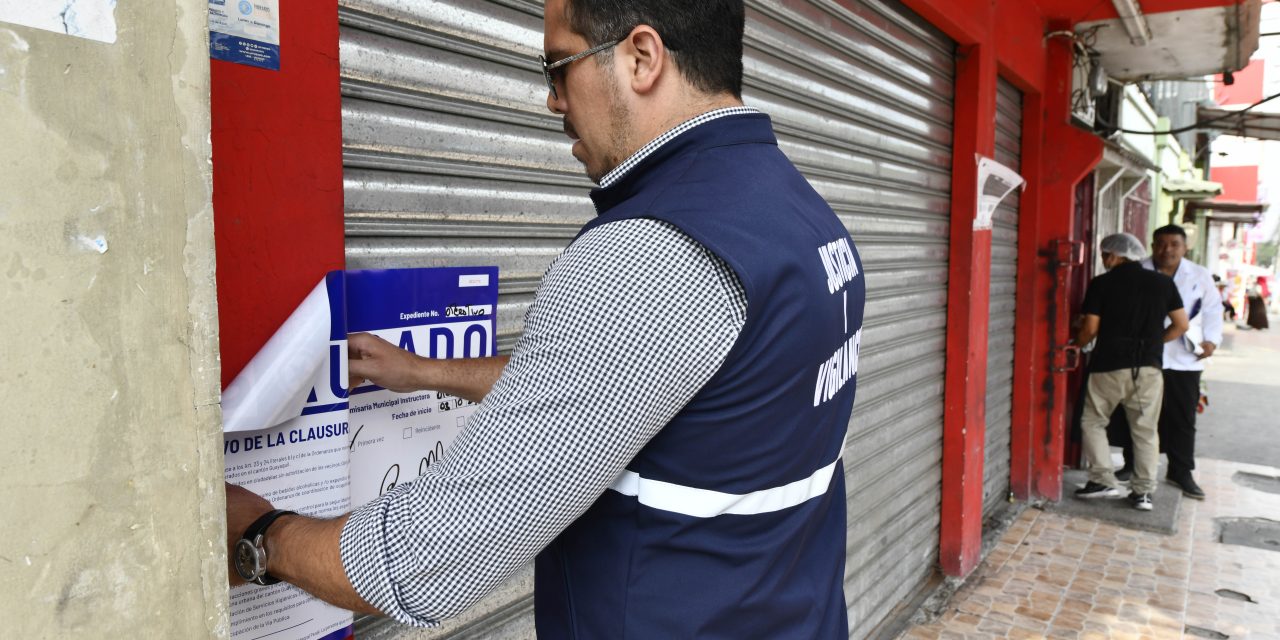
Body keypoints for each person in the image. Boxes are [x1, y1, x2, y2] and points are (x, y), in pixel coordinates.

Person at [224, 1, 865, 637]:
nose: (552, 101)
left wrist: (260, 535)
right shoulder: (804, 219)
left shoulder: (652, 253)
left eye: (558, 67)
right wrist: (425, 372)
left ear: (642, 57)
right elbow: (635, 389)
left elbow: (426, 564)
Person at [1073, 233, 1187, 512]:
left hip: (1108, 366)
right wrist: (1152, 344)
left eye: (1104, 255)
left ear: (1114, 256)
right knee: (1146, 431)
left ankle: (1102, 480)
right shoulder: (1163, 283)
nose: (1103, 261)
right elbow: (1181, 324)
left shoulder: (1102, 283)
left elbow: (1090, 328)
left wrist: (1076, 345)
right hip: (1148, 369)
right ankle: (1143, 494)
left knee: (1093, 421)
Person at [1114, 225, 1223, 500]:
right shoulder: (1137, 271)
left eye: (1175, 244)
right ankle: (1132, 464)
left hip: (1186, 357)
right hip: (1144, 354)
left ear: (1185, 247)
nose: (1168, 249)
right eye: (1161, 244)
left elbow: (1212, 310)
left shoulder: (1199, 275)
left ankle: (1180, 470)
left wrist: (1211, 341)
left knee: (1182, 417)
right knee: (1136, 412)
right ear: (1152, 246)